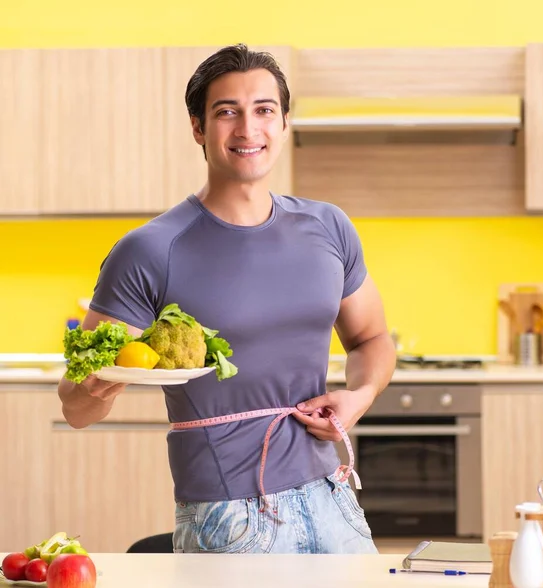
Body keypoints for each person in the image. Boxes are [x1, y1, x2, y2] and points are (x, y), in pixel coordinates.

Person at [58, 43, 396, 554]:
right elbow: (76, 406)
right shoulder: (151, 250)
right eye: (226, 113)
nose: (247, 129)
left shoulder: (328, 226)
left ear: (283, 123)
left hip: (333, 497)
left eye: (264, 110)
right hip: (228, 515)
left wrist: (360, 397)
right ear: (198, 128)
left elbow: (371, 338)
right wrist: (100, 384)